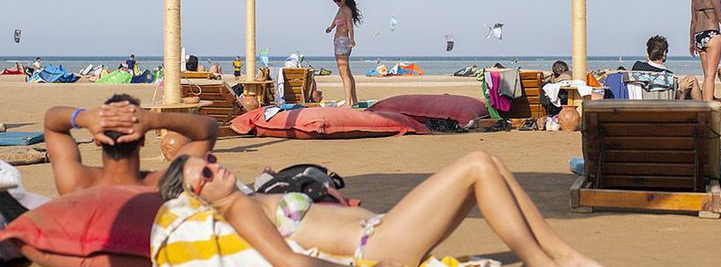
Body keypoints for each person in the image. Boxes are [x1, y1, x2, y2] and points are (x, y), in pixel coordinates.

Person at [158, 151, 600, 267]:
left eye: (210, 160)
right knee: (478, 165)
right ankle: (543, 260)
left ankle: (558, 254)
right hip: (375, 244)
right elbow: (288, 261)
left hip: (382, 229)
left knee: (491, 166)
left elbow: (204, 127)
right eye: (205, 174)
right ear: (196, 197)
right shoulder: (238, 209)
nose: (215, 166)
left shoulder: (248, 194)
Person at [43, 93, 218, 195]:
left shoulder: (77, 183)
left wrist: (83, 117)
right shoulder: (163, 185)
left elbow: (52, 122)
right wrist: (153, 119)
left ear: (97, 140)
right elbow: (209, 130)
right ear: (142, 140)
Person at [632, 35, 702, 100]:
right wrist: (683, 89)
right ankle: (703, 108)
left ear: (648, 53)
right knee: (692, 79)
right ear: (664, 53)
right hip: (666, 105)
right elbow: (678, 101)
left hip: (641, 103)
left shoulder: (637, 66)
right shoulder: (668, 76)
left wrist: (649, 60)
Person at [326, 0, 361, 107]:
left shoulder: (347, 10)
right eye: (334, 1)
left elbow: (350, 25)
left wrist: (352, 39)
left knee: (343, 73)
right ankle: (354, 101)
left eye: (339, 0)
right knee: (347, 73)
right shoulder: (340, 9)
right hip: (337, 41)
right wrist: (330, 28)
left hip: (343, 42)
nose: (337, 3)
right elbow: (335, 20)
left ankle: (348, 102)